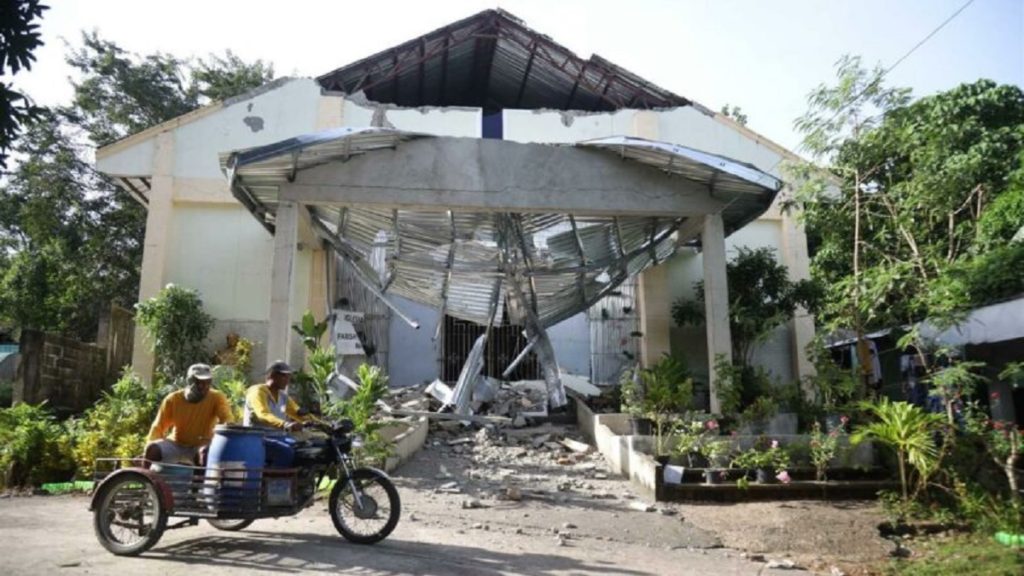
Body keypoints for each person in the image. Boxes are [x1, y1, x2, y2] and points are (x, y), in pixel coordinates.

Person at [145, 363, 234, 466]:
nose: (204, 386)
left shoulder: (217, 397)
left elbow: (226, 418)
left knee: (204, 453)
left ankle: (200, 476)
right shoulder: (173, 399)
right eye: (200, 382)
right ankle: (145, 475)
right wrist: (148, 447)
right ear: (190, 381)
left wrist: (228, 424)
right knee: (153, 449)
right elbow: (158, 426)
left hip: (201, 447)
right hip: (176, 444)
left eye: (207, 382)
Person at [244, 360, 314, 432]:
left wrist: (311, 420)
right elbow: (263, 414)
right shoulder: (257, 391)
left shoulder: (283, 396)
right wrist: (285, 425)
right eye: (284, 376)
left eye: (288, 377)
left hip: (275, 435)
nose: (287, 380)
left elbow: (296, 411)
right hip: (254, 435)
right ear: (272, 376)